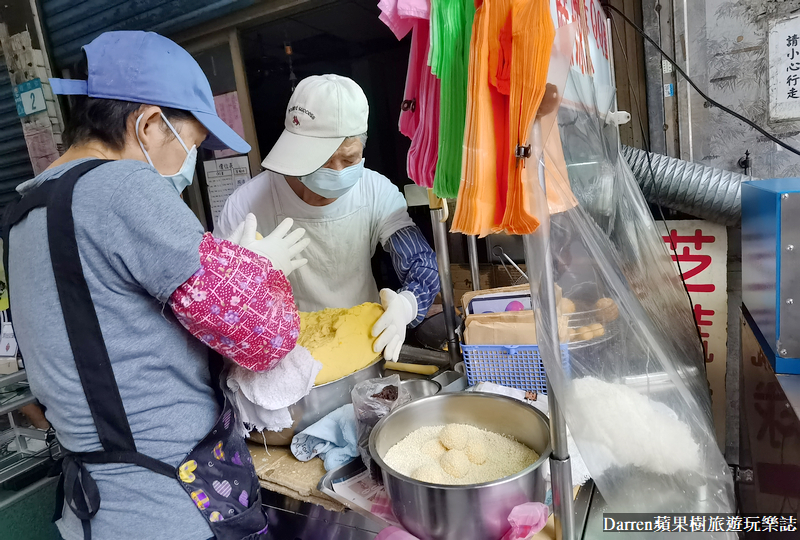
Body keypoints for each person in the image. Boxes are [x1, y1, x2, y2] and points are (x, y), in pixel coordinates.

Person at [5, 31, 309, 540]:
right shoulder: (122, 186)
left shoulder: (24, 213)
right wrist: (255, 270)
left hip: (95, 507)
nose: (186, 166)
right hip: (171, 503)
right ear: (149, 125)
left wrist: (226, 266)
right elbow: (264, 336)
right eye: (189, 144)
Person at [217, 75, 441, 361]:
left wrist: (407, 305)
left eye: (349, 160)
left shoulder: (375, 191)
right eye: (322, 160)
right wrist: (245, 277)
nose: (337, 172)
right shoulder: (246, 205)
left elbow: (421, 263)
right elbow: (219, 307)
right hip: (287, 357)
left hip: (364, 345)